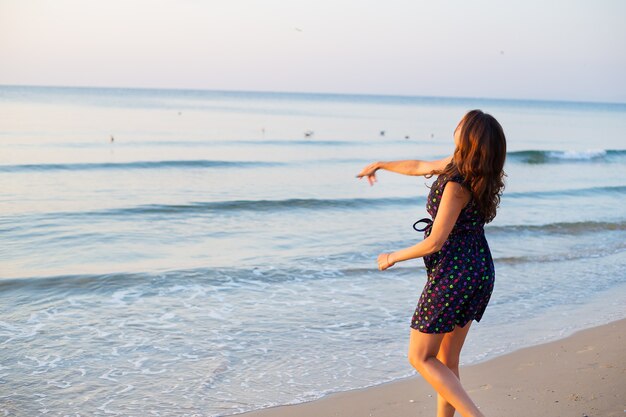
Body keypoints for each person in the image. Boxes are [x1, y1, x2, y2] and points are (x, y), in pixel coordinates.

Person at [356, 110, 506, 417]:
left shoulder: (456, 184)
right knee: (447, 361)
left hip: (454, 275)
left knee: (420, 357)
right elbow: (419, 166)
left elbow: (435, 242)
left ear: (468, 138)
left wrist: (392, 257)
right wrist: (381, 164)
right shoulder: (472, 171)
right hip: (478, 270)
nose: (456, 126)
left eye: (461, 124)